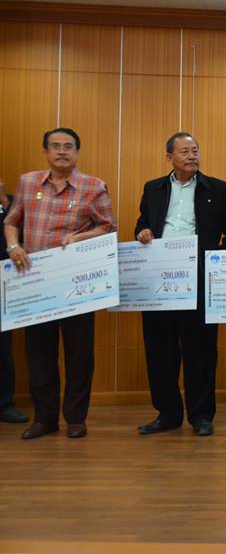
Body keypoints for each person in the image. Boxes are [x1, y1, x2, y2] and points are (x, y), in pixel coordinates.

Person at [3, 128, 116, 439]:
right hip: (35, 283)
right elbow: (11, 220)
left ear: (77, 153)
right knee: (39, 354)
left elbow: (108, 228)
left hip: (76, 284)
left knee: (80, 355)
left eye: (68, 146)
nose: (62, 151)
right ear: (46, 152)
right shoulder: (28, 182)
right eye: (55, 146)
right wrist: (13, 246)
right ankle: (45, 418)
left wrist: (79, 238)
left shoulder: (93, 186)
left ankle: (76, 418)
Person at [134, 132, 226, 437]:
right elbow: (142, 223)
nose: (192, 156)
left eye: (195, 150)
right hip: (159, 279)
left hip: (199, 278)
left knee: (200, 351)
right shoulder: (153, 188)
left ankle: (201, 416)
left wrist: (214, 260)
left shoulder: (218, 188)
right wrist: (143, 232)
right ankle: (167, 414)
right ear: (170, 158)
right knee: (160, 351)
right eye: (184, 151)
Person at [0, 178, 28, 425]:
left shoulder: (12, 203)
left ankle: (4, 404)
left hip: (6, 285)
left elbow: (26, 233)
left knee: (3, 350)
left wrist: (4, 201)